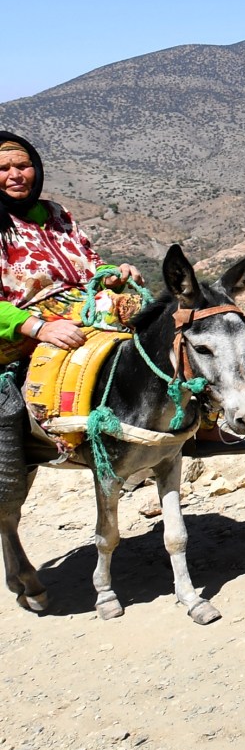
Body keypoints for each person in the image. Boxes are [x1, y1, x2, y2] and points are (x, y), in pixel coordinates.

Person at [0, 132, 142, 496]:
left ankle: (196, 423)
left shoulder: (56, 213)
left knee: (158, 321)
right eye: (2, 169)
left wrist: (112, 274)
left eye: (23, 165)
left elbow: (89, 264)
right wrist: (38, 328)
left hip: (84, 306)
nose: (15, 175)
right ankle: (58, 443)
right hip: (22, 326)